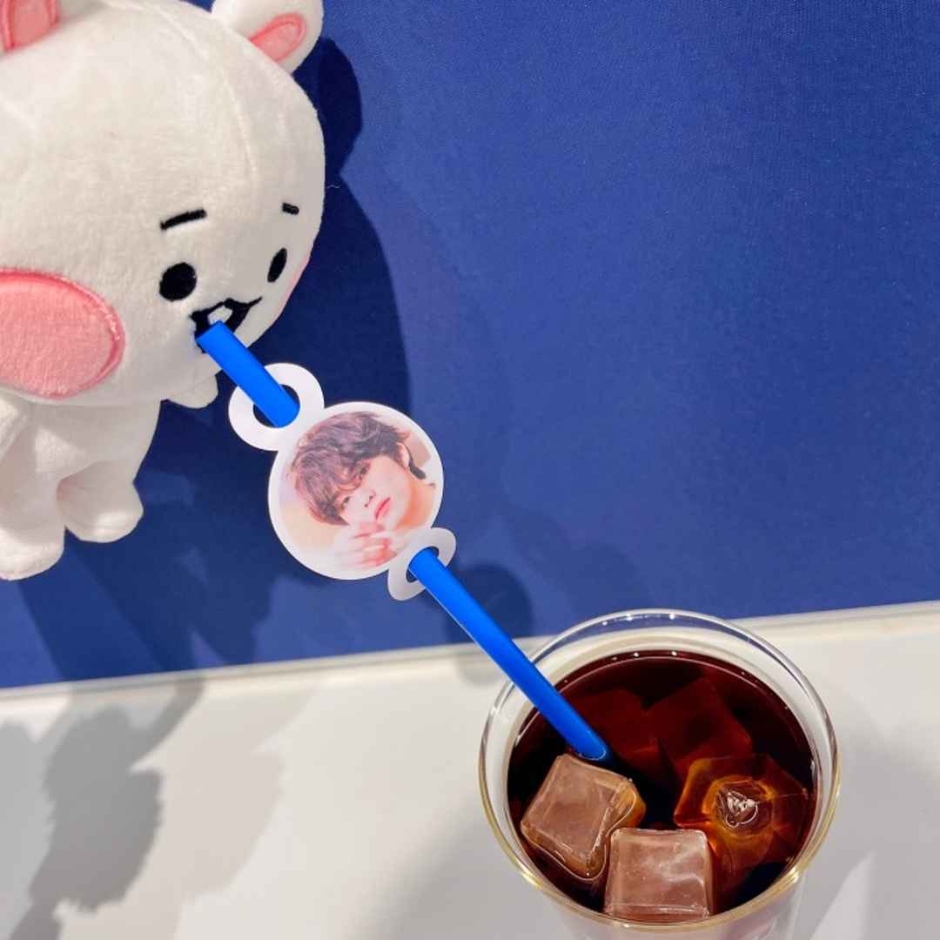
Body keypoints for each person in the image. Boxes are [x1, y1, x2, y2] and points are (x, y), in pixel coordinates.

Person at [288, 411, 437, 571]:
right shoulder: (379, 563)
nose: (364, 499)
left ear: (400, 454)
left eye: (361, 473)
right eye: (345, 501)